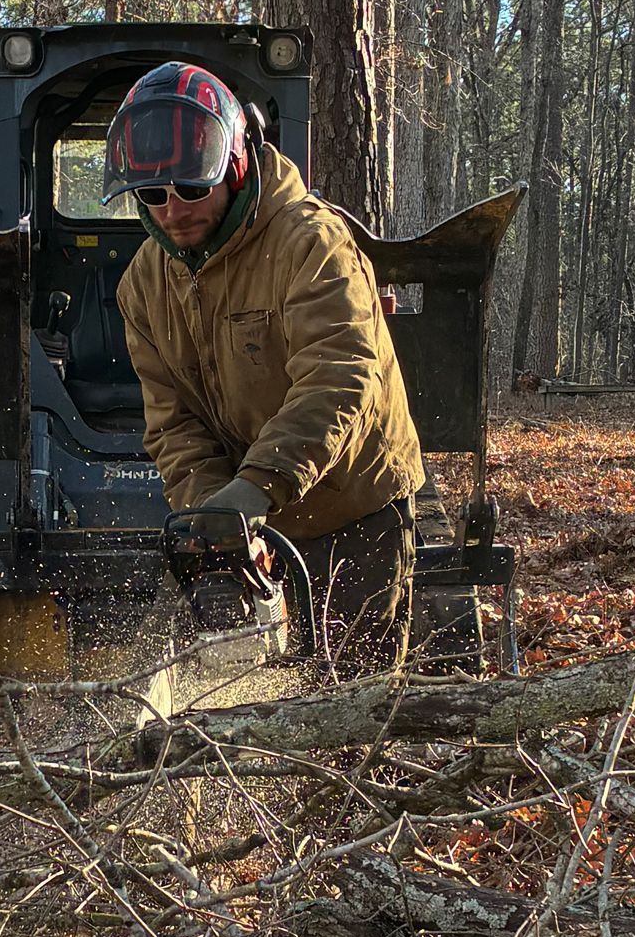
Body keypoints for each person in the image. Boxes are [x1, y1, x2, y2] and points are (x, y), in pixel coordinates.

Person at [103, 61, 423, 677]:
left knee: (351, 701)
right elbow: (174, 426)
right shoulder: (142, 285)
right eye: (152, 194)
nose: (173, 211)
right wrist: (215, 518)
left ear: (236, 164)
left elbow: (340, 376)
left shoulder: (311, 242)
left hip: (353, 502)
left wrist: (255, 491)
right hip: (257, 510)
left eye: (192, 188)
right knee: (261, 711)